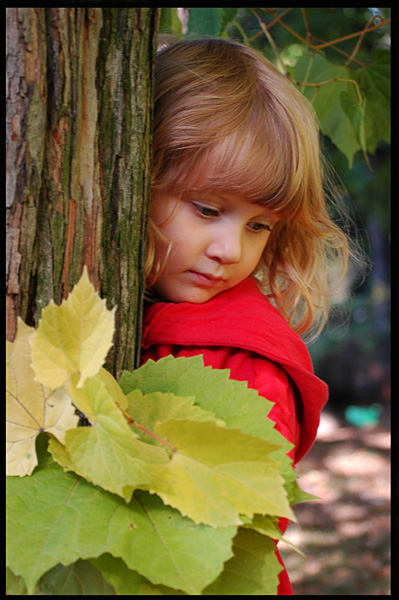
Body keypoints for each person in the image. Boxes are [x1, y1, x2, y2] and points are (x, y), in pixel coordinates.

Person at [140, 37, 362, 595]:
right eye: (209, 210)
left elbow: (226, 536)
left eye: (259, 225)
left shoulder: (245, 362)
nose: (229, 249)